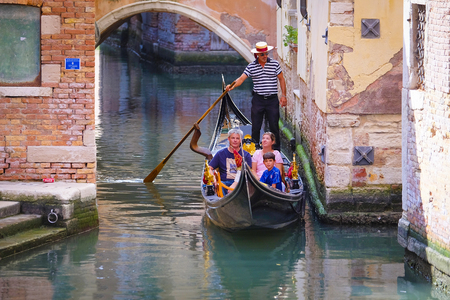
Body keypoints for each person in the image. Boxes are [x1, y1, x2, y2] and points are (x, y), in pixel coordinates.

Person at [225, 41, 287, 150]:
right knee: (256, 126)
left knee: (274, 125)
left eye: (266, 53)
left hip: (272, 99)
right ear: (257, 55)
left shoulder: (275, 64)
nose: (265, 56)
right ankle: (255, 147)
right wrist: (232, 86)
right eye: (262, 54)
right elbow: (241, 79)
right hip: (258, 100)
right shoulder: (251, 67)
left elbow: (281, 79)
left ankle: (276, 149)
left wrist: (284, 96)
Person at [209, 128, 252, 194]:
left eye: (237, 138)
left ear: (240, 140)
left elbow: (248, 173)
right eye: (233, 138)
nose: (235, 140)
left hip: (241, 182)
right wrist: (213, 178)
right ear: (228, 139)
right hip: (224, 183)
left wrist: (235, 184)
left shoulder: (246, 155)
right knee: (221, 186)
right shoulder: (220, 153)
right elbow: (209, 168)